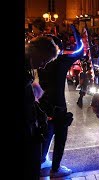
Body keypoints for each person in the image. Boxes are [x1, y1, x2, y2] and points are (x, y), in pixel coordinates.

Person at [38, 25, 84, 178]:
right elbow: (81, 50)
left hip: (44, 105)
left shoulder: (41, 62)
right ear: (57, 48)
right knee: (60, 137)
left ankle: (42, 160)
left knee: (47, 133)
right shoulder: (61, 61)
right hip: (58, 105)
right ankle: (56, 169)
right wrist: (77, 33)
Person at [23, 36, 59, 180]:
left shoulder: (28, 67)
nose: (43, 66)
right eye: (44, 60)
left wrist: (40, 113)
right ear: (35, 51)